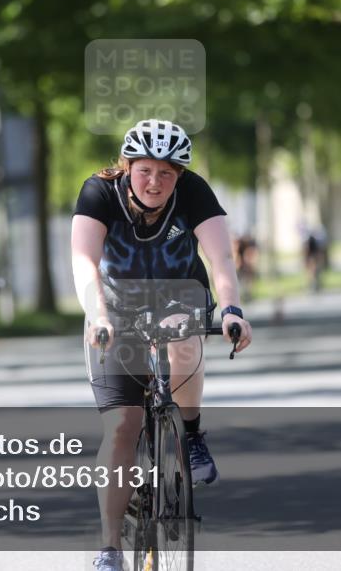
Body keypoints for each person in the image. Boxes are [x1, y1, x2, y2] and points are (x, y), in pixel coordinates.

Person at [70, 119, 252, 571]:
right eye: (145, 170)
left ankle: (190, 434)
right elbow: (83, 261)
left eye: (167, 173)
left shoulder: (194, 193)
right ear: (127, 167)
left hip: (178, 296)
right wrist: (97, 315)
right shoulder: (97, 192)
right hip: (113, 309)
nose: (155, 182)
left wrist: (231, 309)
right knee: (123, 427)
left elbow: (221, 258)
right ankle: (110, 549)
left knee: (185, 335)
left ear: (180, 175)